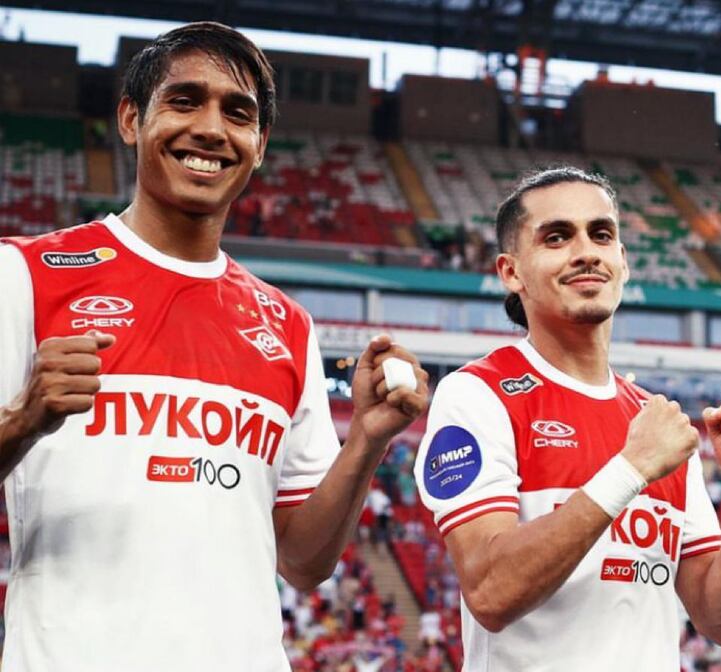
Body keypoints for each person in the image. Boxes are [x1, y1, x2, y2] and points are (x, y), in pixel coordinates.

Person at [0, 22, 428, 671]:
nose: (209, 128)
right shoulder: (25, 275)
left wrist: (367, 440)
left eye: (238, 113)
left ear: (258, 147)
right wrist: (24, 418)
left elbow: (305, 563)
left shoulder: (287, 324)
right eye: (183, 100)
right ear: (129, 120)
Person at [414, 167, 721, 670]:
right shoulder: (478, 393)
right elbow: (491, 592)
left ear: (622, 261)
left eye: (601, 234)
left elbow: (719, 619)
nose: (586, 251)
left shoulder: (658, 424)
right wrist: (631, 468)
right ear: (511, 272)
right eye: (557, 237)